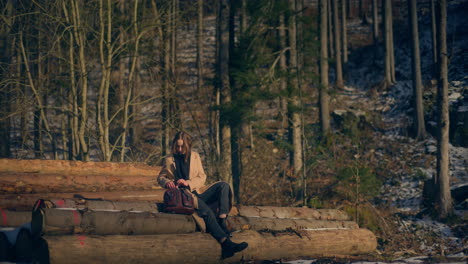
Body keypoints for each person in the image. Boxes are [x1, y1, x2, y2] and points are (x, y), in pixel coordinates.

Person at [157, 131, 248, 259]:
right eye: (177, 146)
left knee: (224, 186)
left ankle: (222, 220)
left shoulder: (195, 156)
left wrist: (188, 182)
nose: (179, 149)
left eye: (182, 146)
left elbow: (202, 177)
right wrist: (167, 183)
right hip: (184, 196)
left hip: (197, 190)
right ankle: (226, 243)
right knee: (208, 213)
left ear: (188, 145)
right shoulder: (169, 160)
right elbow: (161, 177)